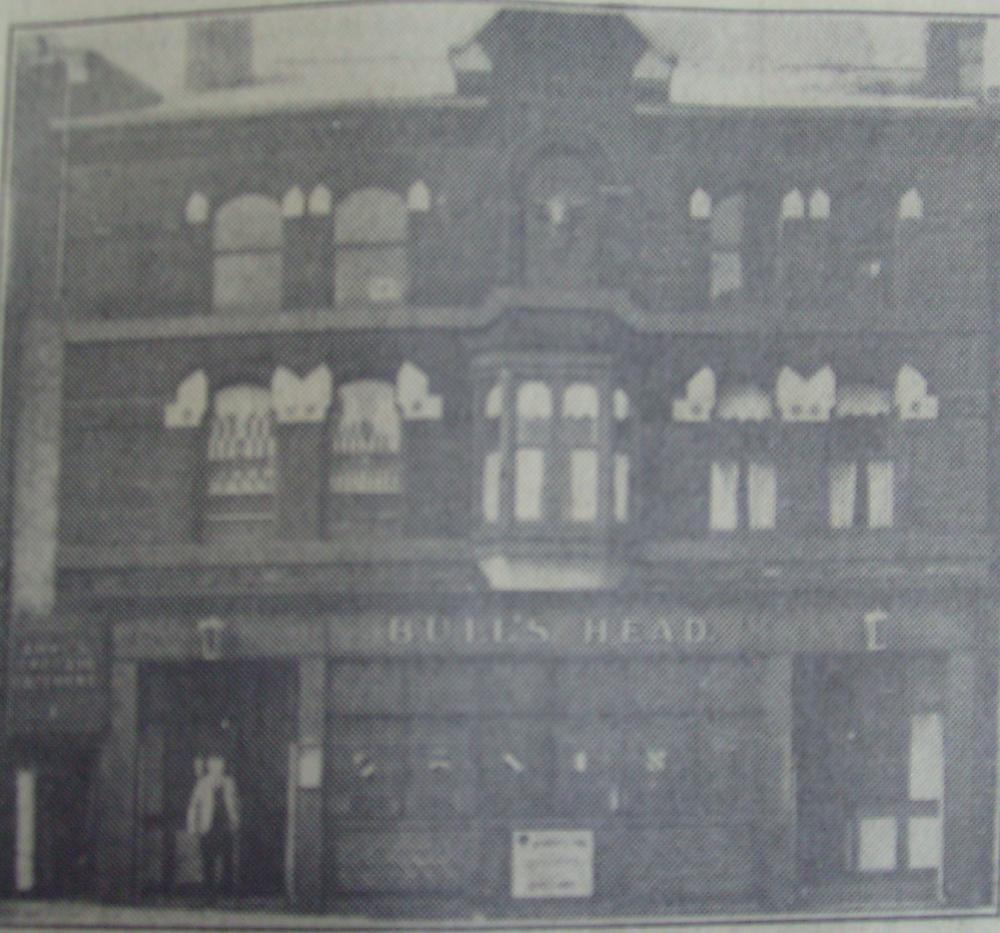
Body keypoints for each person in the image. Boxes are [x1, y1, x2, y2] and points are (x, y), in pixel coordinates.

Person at [185, 755, 240, 896]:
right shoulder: (202, 783)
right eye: (215, 766)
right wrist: (192, 826)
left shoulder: (229, 783)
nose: (218, 768)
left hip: (225, 825)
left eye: (220, 765)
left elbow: (235, 803)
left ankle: (227, 891)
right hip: (208, 826)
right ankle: (208, 892)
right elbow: (194, 805)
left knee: (227, 857)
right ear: (209, 767)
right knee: (208, 858)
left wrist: (236, 821)